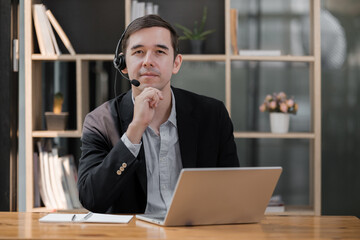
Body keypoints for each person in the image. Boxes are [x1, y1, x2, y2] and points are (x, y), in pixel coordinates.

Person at [77, 14, 239, 214]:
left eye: (159, 51)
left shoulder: (213, 115)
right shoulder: (100, 121)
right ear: (123, 64)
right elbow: (92, 199)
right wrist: (134, 131)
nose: (147, 61)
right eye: (138, 52)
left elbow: (232, 192)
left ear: (176, 63)